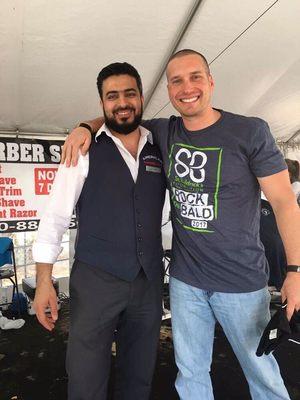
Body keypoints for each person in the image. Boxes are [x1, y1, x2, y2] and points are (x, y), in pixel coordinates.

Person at [62, 49, 300, 400]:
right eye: (176, 81)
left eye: (195, 77)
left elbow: (283, 202)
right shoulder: (163, 130)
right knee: (190, 375)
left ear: (211, 81)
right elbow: (119, 116)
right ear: (169, 90)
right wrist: (85, 126)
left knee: (261, 372)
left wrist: (294, 270)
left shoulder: (249, 131)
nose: (187, 87)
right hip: (186, 283)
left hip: (242, 283)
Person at [32, 62, 166, 400]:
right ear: (102, 103)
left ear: (141, 96)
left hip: (148, 281)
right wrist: (44, 280)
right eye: (112, 96)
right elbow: (55, 216)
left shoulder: (160, 145)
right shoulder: (84, 149)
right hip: (96, 282)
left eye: (129, 94)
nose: (122, 103)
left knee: (140, 375)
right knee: (86, 375)